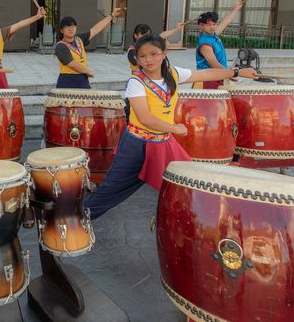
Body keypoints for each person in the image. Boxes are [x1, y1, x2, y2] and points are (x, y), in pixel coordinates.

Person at [84, 34, 258, 220]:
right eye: (142, 56)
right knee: (112, 189)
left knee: (185, 181)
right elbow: (145, 118)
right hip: (137, 145)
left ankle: (195, 222)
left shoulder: (173, 74)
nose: (148, 59)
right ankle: (79, 219)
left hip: (163, 143)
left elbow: (205, 74)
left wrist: (236, 72)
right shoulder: (136, 82)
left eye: (153, 54)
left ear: (164, 53)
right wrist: (174, 128)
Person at [54, 8, 123, 89]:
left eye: (73, 26)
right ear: (61, 30)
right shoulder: (60, 46)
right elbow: (72, 64)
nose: (70, 29)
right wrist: (87, 71)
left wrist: (111, 16)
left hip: (83, 80)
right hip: (67, 82)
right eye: (67, 27)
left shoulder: (79, 39)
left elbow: (96, 29)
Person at [195, 0, 245, 89]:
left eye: (214, 24)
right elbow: (214, 64)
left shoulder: (213, 35)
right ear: (201, 26)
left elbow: (225, 22)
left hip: (219, 75)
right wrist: (230, 73)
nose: (212, 27)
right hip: (207, 80)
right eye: (208, 25)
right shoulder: (205, 44)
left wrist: (235, 9)